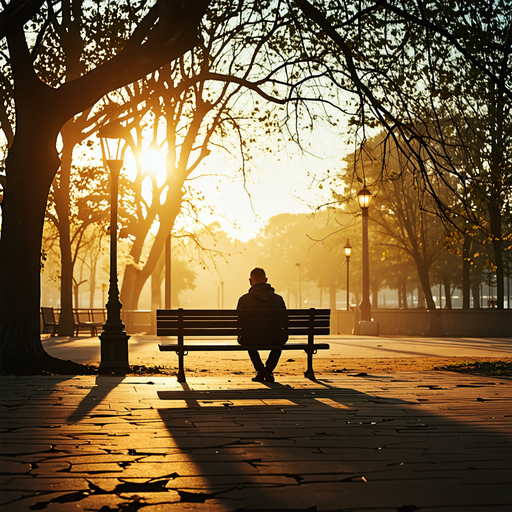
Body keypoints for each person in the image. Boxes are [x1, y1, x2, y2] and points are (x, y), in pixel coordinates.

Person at [237, 267, 287, 382]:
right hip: (274, 339)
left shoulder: (244, 300)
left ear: (250, 281)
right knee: (280, 339)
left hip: (251, 339)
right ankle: (268, 370)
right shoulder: (278, 300)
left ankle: (260, 370)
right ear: (265, 280)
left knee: (246, 338)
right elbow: (285, 322)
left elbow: (239, 323)